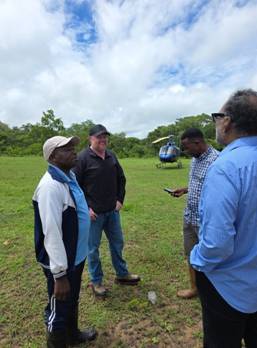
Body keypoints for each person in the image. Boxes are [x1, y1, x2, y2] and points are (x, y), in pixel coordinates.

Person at [190, 89, 257, 347]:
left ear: (226, 121)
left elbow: (217, 243)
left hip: (227, 287)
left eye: (217, 116)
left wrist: (198, 259)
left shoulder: (226, 167)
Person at [33, 136, 97, 347]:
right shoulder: (50, 187)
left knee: (72, 299)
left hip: (75, 256)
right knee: (58, 307)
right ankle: (57, 342)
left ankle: (72, 335)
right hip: (60, 263)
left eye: (73, 148)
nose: (74, 152)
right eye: (67, 149)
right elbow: (51, 232)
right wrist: (59, 274)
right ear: (52, 156)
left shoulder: (68, 176)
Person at [73, 124, 140, 297]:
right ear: (90, 139)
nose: (103, 140)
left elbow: (121, 179)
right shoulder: (82, 159)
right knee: (93, 250)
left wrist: (120, 200)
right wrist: (86, 208)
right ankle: (96, 282)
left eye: (105, 137)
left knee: (117, 244)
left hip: (112, 212)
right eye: (98, 137)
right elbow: (75, 187)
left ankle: (122, 274)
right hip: (93, 215)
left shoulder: (111, 156)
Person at [170, 128, 218, 299]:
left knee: (210, 258)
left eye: (186, 147)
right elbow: (198, 185)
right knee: (190, 254)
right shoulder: (194, 159)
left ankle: (213, 292)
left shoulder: (217, 161)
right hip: (189, 216)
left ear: (197, 143)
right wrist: (184, 190)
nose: (185, 151)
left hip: (207, 221)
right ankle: (194, 288)